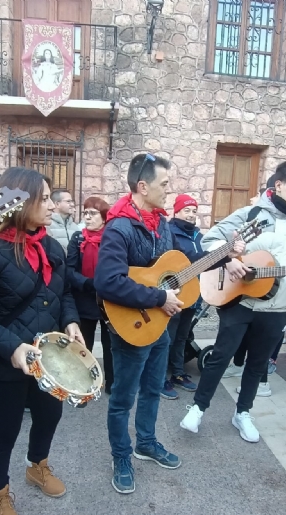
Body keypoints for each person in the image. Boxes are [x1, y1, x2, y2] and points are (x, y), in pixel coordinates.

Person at [0, 167, 82, 515]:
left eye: (49, 198)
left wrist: (72, 322)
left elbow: (65, 294)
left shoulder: (52, 246)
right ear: (19, 202)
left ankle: (37, 466)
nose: (50, 205)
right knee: (3, 434)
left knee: (49, 418)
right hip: (2, 366)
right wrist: (13, 348)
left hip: (50, 363)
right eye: (42, 199)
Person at [180, 161, 286, 442]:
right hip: (240, 301)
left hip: (276, 310)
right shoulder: (250, 214)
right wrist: (229, 261)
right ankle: (198, 408)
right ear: (278, 185)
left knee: (258, 363)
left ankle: (243, 413)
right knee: (220, 356)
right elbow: (210, 240)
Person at [94, 153, 190, 494]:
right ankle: (121, 456)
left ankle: (145, 443)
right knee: (122, 399)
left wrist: (222, 259)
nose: (170, 191)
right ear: (142, 186)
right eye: (165, 184)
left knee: (152, 390)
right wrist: (158, 298)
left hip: (158, 326)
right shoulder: (119, 227)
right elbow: (107, 281)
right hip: (130, 328)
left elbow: (174, 267)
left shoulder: (162, 224)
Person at [161, 194, 227, 400]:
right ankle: (161, 377)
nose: (191, 215)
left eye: (194, 211)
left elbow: (204, 264)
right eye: (186, 210)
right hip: (176, 293)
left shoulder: (198, 236)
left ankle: (178, 372)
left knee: (182, 336)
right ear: (176, 211)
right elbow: (181, 262)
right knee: (168, 338)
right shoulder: (169, 233)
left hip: (194, 294)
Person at [67, 195, 114, 395]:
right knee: (83, 344)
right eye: (85, 212)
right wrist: (87, 283)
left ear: (104, 217)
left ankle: (112, 382)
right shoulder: (78, 239)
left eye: (92, 213)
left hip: (109, 301)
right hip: (84, 299)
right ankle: (83, 380)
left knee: (110, 344)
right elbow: (69, 270)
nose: (87, 217)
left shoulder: (112, 239)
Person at [48, 189, 79, 253]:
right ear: (57, 204)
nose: (72, 204)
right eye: (68, 201)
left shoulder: (75, 227)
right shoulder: (47, 226)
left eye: (72, 201)